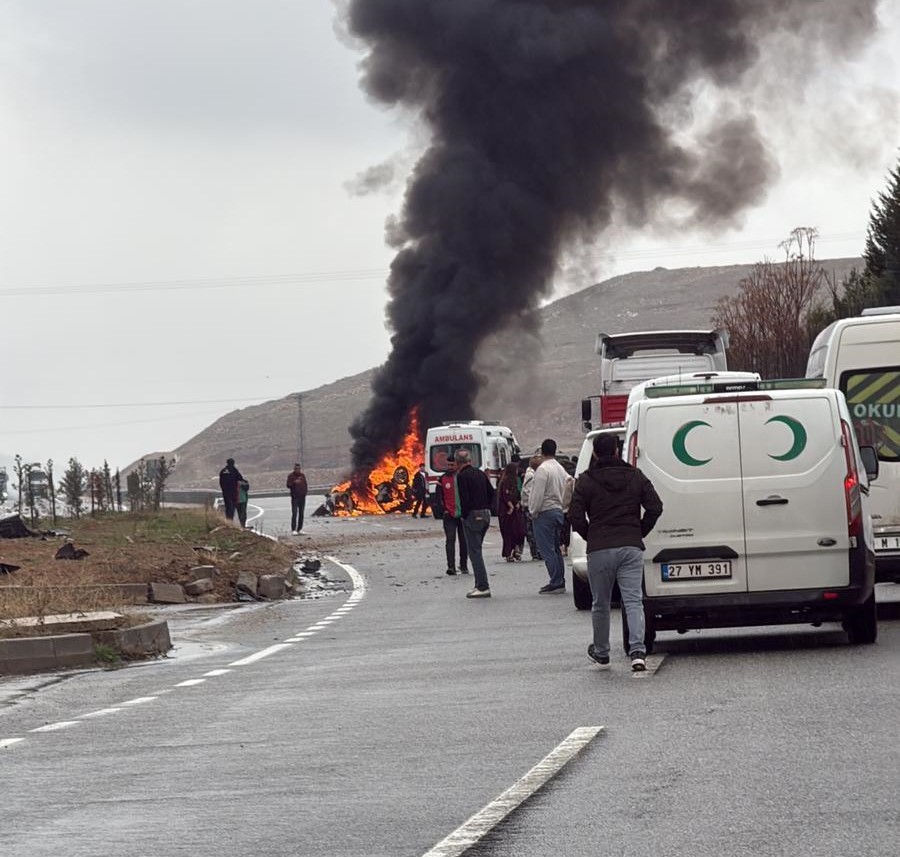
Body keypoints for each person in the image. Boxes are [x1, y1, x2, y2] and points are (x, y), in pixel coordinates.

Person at [568, 432, 663, 672]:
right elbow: (655, 506)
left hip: (600, 548)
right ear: (617, 450)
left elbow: (575, 516)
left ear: (596, 453)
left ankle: (601, 652)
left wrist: (591, 535)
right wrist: (639, 530)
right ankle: (638, 651)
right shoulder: (635, 476)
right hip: (630, 545)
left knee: (600, 602)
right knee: (632, 600)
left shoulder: (586, 480)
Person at [527, 439, 571, 594]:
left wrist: (533, 512)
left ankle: (555, 581)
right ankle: (560, 579)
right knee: (556, 549)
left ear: (541, 452)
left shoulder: (542, 470)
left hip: (545, 512)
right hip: (558, 511)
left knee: (547, 549)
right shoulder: (560, 468)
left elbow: (537, 494)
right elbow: (569, 482)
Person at [454, 448, 495, 598]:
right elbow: (492, 492)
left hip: (473, 515)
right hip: (485, 514)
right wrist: (486, 507)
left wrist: (464, 516)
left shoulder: (462, 476)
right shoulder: (480, 473)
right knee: (477, 549)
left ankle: (482, 586)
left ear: (458, 462)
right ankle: (480, 584)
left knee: (474, 552)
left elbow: (464, 499)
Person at [436, 455, 468, 575]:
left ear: (457, 464)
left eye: (452, 465)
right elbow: (439, 496)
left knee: (463, 541)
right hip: (449, 515)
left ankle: (463, 565)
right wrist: (443, 510)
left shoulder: (462, 477)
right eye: (448, 465)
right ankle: (451, 567)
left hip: (463, 514)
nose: (449, 467)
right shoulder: (442, 479)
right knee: (450, 540)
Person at [497, 462, 525, 562]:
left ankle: (516, 550)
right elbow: (505, 495)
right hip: (507, 511)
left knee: (519, 531)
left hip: (516, 510)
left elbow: (518, 493)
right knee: (508, 532)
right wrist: (511, 505)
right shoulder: (505, 481)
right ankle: (508, 553)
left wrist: (518, 502)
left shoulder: (516, 480)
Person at [520, 454, 543, 561]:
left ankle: (536, 551)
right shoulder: (532, 475)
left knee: (532, 531)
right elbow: (529, 492)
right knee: (533, 531)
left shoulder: (529, 474)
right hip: (530, 506)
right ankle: (536, 552)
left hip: (528, 506)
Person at [286, 463, 308, 535]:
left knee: (301, 513)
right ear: (294, 469)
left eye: (299, 469)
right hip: (295, 497)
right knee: (295, 513)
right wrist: (294, 483)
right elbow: (288, 485)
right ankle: (293, 529)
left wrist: (305, 492)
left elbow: (305, 484)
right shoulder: (291, 476)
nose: (298, 470)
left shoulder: (302, 475)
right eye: (296, 469)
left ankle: (300, 529)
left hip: (302, 497)